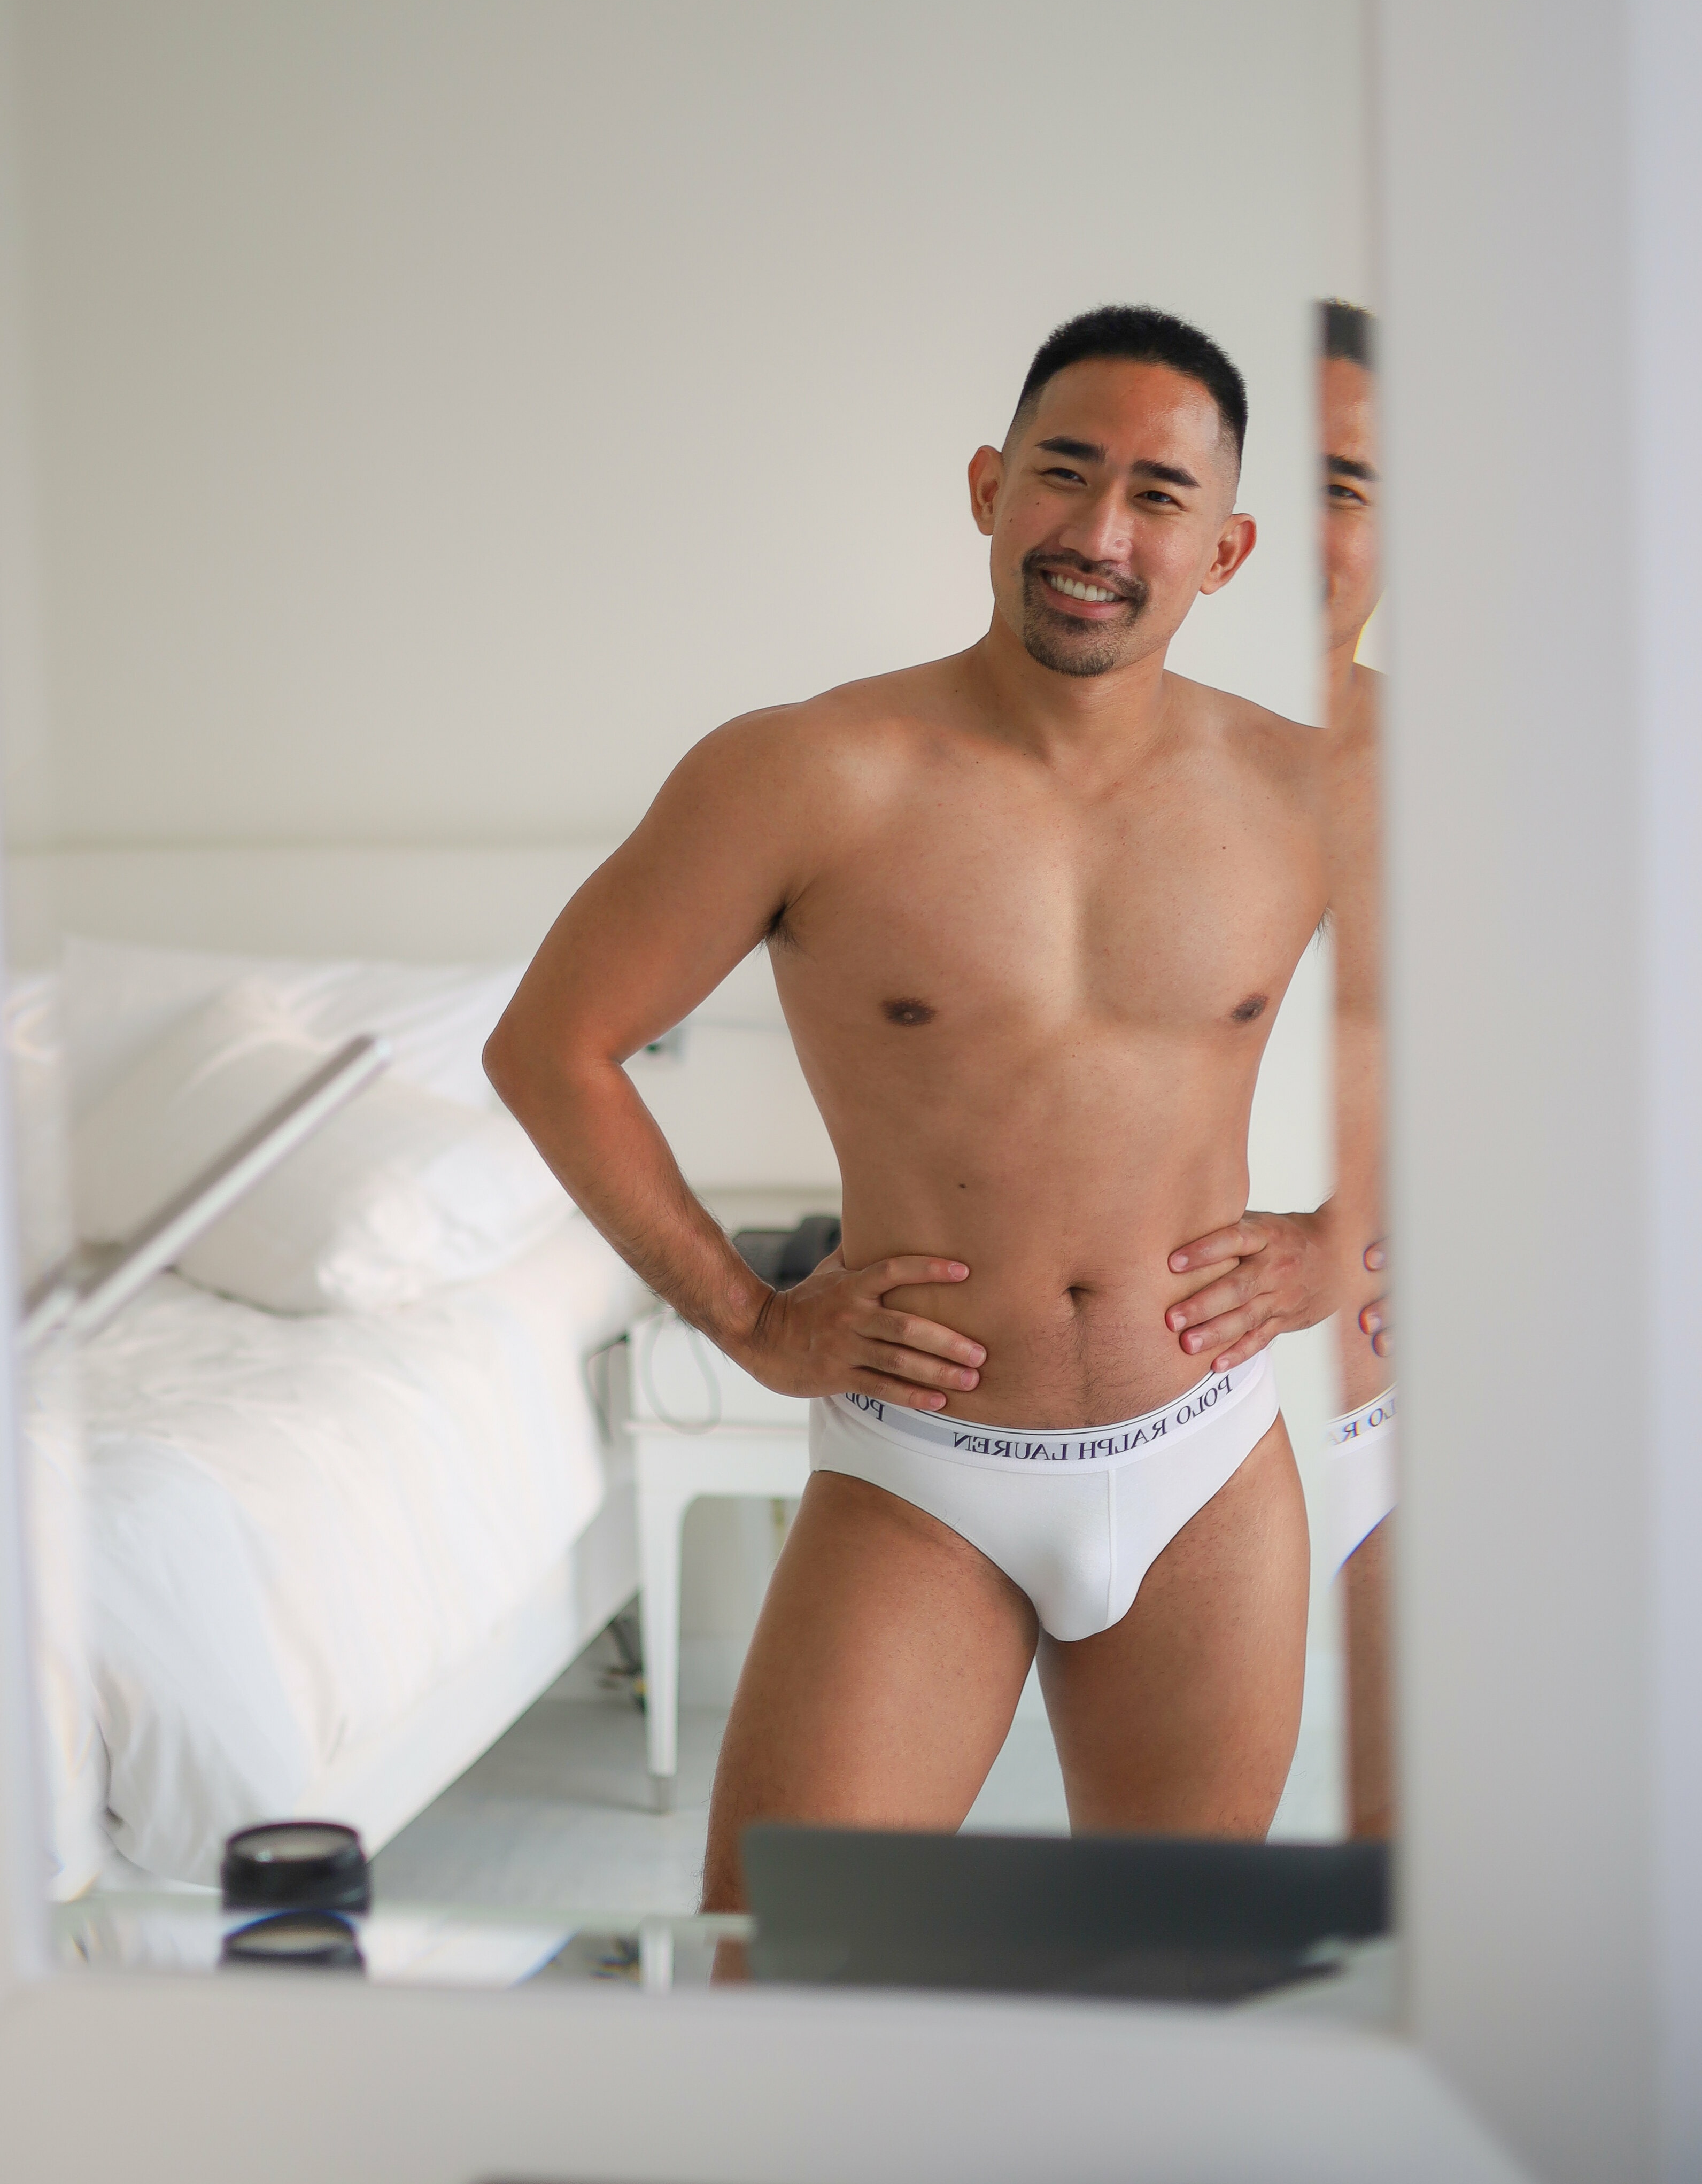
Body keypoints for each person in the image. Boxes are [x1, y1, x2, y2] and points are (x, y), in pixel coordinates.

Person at [485, 307, 1328, 1904]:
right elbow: (551, 1048)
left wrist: (1339, 1247)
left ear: (1223, 552)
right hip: (923, 1473)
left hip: (1206, 1470)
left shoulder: (1310, 793)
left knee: (1167, 1985)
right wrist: (749, 1319)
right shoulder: (802, 774)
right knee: (776, 1976)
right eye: (1064, 473)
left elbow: (1544, 1039)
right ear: (988, 486)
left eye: (1158, 495)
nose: (1098, 532)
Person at [1316, 299, 1395, 1838]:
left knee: (1421, 1883)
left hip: (1386, 1416)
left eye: (1347, 486)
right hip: (1115, 1410)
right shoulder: (1049, 766)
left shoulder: (1466, 775)